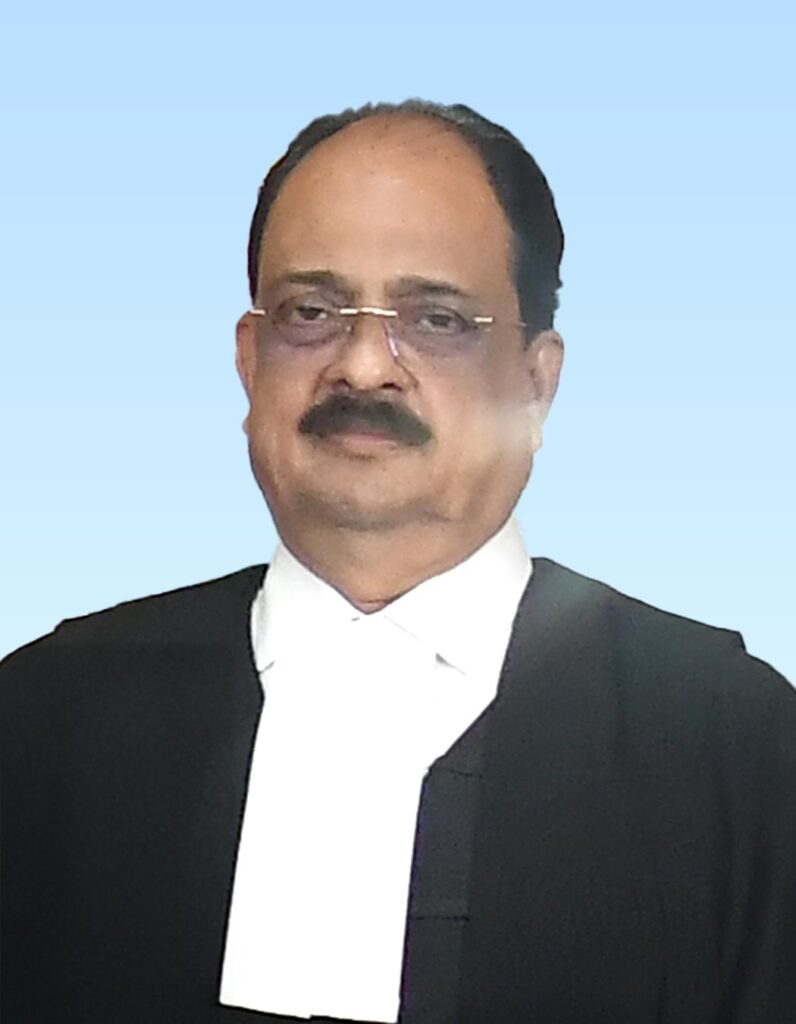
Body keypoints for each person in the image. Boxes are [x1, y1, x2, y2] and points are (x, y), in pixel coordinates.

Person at [1, 99, 794, 1024]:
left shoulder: (735, 750)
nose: (365, 367)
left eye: (438, 319)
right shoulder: (47, 720)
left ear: (536, 382)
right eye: (311, 311)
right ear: (249, 362)